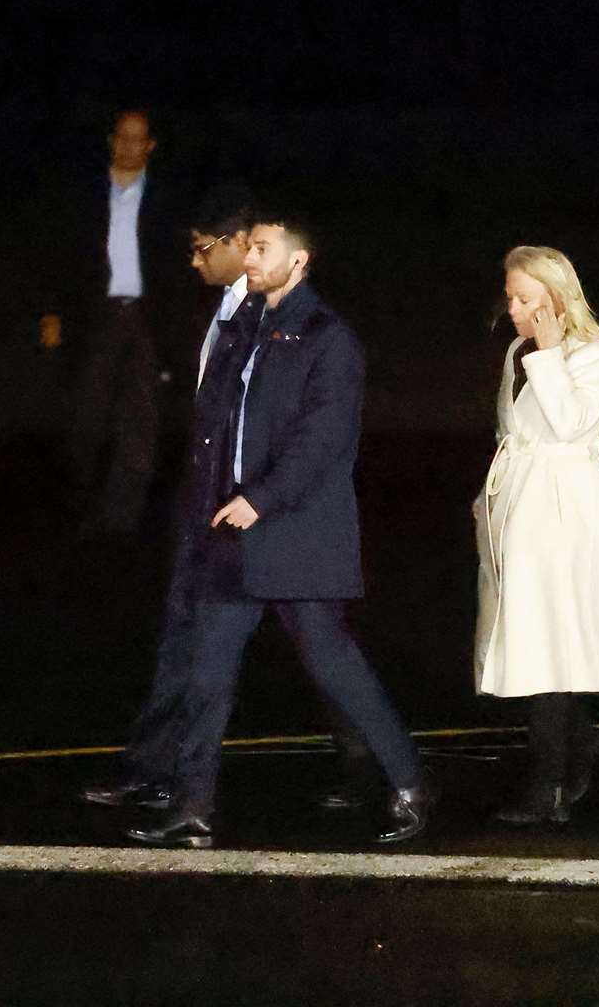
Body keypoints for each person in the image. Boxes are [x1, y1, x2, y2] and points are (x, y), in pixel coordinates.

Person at [126, 215, 434, 848]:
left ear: (299, 262)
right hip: (228, 533)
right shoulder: (244, 327)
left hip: (295, 535)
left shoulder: (329, 339)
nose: (251, 257)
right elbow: (214, 425)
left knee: (334, 663)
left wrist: (258, 500)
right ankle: (192, 806)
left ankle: (409, 781)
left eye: (264, 249)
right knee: (208, 670)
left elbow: (322, 439)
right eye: (251, 247)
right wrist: (207, 504)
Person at [79, 182, 261, 812]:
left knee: (320, 645)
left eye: (203, 248)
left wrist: (254, 496)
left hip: (248, 513)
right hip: (203, 502)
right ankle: (153, 772)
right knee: (180, 638)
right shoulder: (215, 310)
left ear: (241, 244)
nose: (194, 260)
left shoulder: (267, 314)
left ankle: (382, 766)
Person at [474, 246, 599, 826]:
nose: (514, 310)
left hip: (565, 514)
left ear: (557, 300)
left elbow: (568, 424)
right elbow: (510, 430)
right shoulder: (520, 352)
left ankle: (552, 788)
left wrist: (551, 351)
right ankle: (584, 748)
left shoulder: (595, 356)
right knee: (529, 644)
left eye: (526, 299)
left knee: (549, 648)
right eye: (510, 297)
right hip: (521, 507)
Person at [44, 109, 188, 538]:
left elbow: (178, 267)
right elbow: (63, 256)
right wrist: (54, 313)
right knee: (86, 418)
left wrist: (179, 326)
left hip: (146, 317)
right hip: (98, 316)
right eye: (122, 137)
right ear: (111, 140)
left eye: (138, 139)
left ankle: (121, 519)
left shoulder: (165, 199)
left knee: (141, 420)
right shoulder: (85, 194)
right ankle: (78, 502)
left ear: (151, 146)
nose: (129, 145)